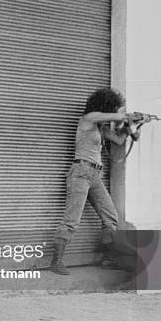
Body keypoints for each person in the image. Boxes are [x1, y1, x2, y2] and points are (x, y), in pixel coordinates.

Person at [50, 87, 137, 275]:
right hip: (81, 171)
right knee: (71, 220)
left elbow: (119, 140)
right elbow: (116, 117)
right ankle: (56, 261)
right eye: (114, 107)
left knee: (111, 217)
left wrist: (133, 128)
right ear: (106, 106)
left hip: (95, 175)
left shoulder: (99, 128)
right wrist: (126, 116)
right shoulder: (88, 119)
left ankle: (109, 258)